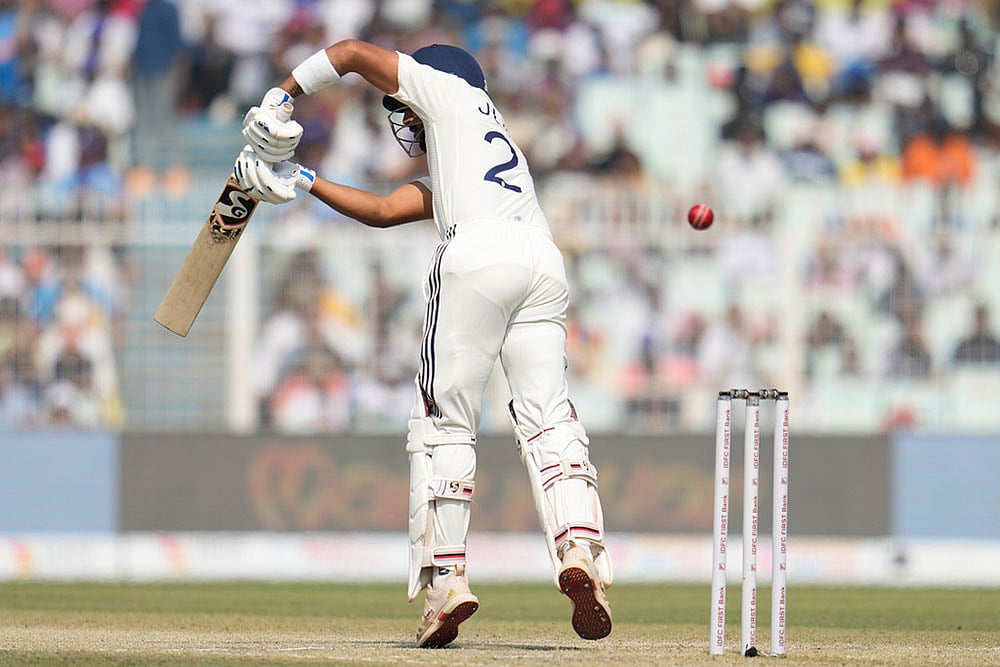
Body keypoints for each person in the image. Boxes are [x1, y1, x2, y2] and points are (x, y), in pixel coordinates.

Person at [231, 40, 612, 648]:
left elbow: (352, 52)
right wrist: (300, 180)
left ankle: (446, 582)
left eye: (403, 108)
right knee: (549, 417)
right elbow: (384, 209)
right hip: (541, 261)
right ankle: (581, 550)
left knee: (444, 422)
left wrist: (282, 96)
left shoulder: (448, 91)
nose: (403, 120)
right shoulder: (489, 144)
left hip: (476, 257)